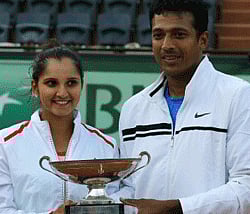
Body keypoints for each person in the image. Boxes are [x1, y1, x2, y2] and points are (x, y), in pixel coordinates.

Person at [119, 0, 250, 213]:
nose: (166, 45)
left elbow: (246, 187)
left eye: (179, 34)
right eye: (158, 35)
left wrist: (179, 208)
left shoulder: (238, 96)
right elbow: (127, 188)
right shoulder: (133, 108)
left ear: (203, 40)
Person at [0, 41, 123, 214]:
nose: (62, 93)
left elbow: (117, 203)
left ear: (82, 85)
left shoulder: (106, 145)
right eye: (51, 83)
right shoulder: (5, 144)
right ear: (35, 87)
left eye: (71, 83)